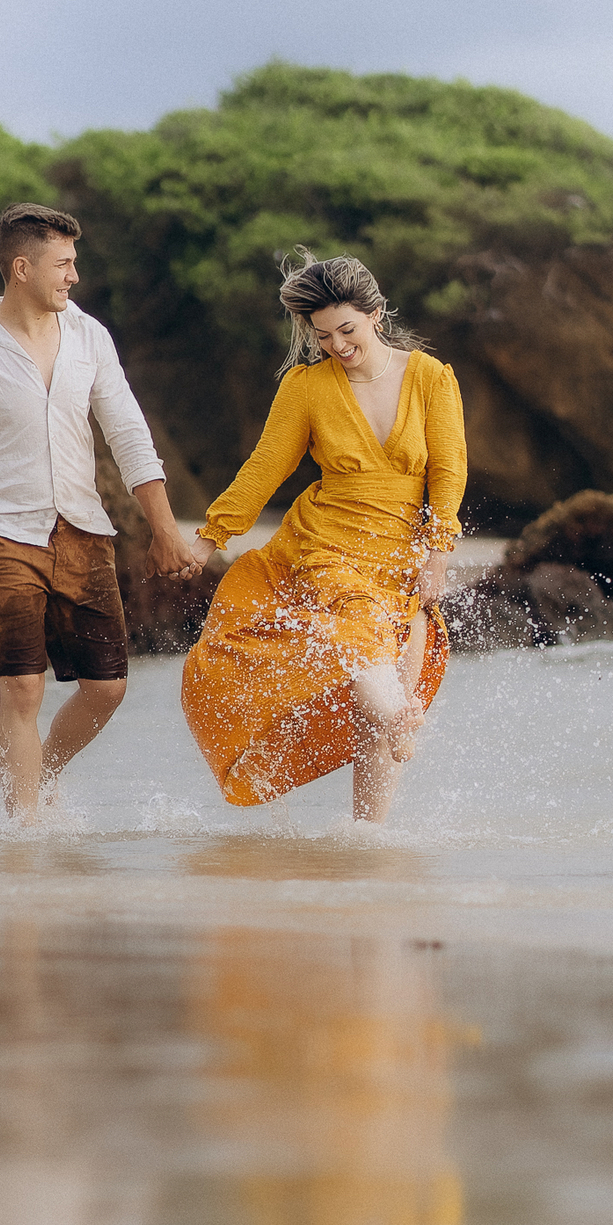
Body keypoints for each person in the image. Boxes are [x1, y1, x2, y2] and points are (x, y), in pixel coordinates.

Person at [0, 202, 198, 819]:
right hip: (0, 533)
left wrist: (165, 529)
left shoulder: (90, 338)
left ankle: (42, 773)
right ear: (22, 268)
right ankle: (24, 833)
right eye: (64, 264)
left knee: (107, 688)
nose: (74, 276)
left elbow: (129, 435)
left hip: (84, 529)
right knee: (22, 686)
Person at [182, 252, 467, 823]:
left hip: (403, 554)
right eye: (323, 335)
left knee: (380, 694)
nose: (337, 345)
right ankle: (396, 716)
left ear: (376, 315)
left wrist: (437, 556)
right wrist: (209, 538)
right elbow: (266, 466)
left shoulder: (431, 376)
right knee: (372, 664)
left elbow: (449, 470)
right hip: (328, 545)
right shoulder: (307, 386)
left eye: (347, 329)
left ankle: (369, 839)